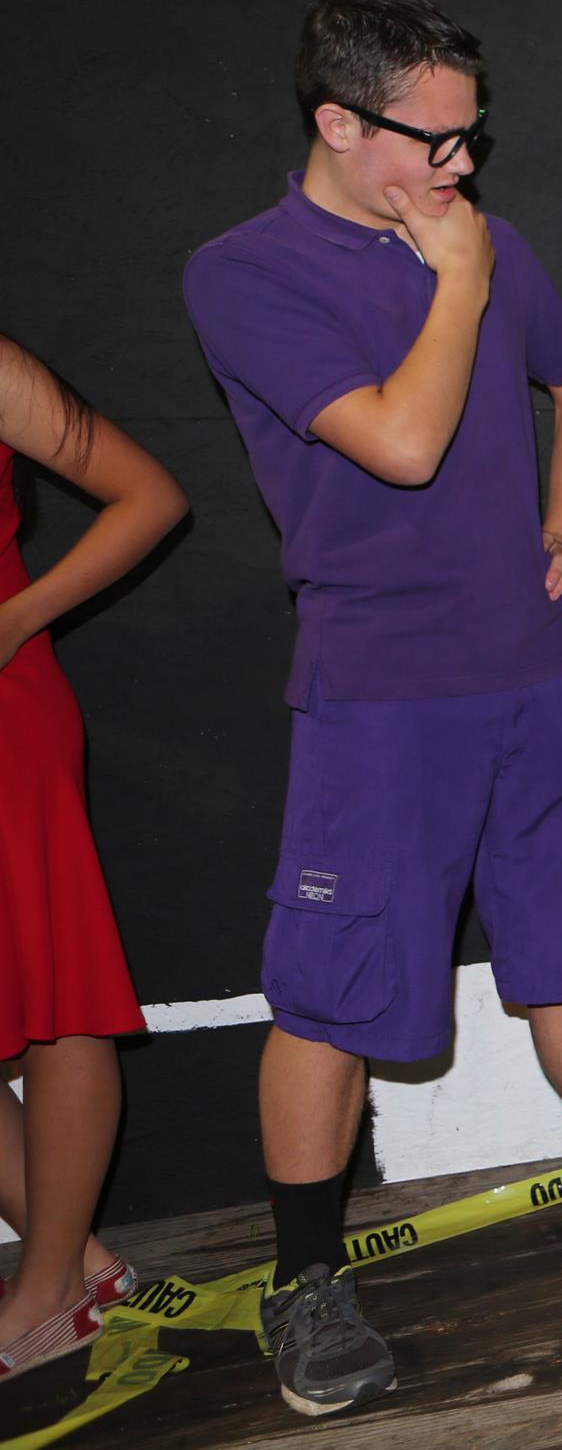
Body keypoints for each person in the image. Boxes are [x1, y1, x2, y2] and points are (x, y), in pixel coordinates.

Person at [182, 0, 562, 1419]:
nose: (461, 164)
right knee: (332, 989)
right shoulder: (247, 274)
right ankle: (304, 1278)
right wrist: (457, 280)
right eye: (431, 138)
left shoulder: (482, 238)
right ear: (336, 124)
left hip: (531, 675)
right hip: (380, 694)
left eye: (470, 133)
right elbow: (406, 444)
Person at [0, 335, 184, 1380]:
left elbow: (149, 496)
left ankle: (43, 1295)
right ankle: (82, 1265)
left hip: (4, 718)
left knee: (57, 998)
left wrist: (15, 620)